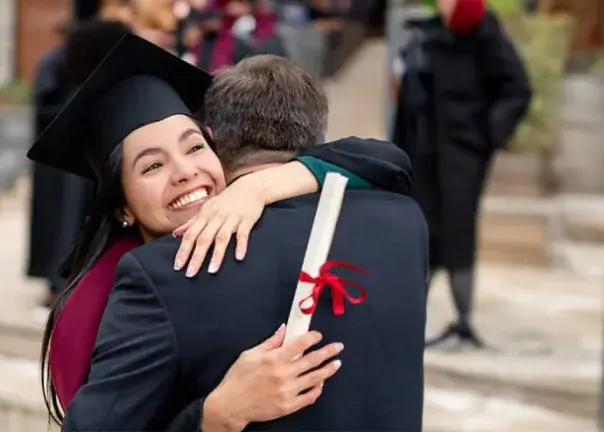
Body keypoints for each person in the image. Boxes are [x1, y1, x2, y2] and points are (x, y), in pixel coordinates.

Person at [32, 25, 428, 432]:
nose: (185, 172)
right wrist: (217, 414)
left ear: (217, 149)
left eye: (194, 147)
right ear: (122, 206)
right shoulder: (124, 289)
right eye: (152, 166)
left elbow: (386, 160)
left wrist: (264, 184)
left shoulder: (249, 212)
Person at [392, 0, 531, 348]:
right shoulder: (427, 35)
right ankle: (409, 322)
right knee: (421, 235)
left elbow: (517, 89)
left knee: (457, 233)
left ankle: (464, 321)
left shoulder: (485, 34)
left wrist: (485, 135)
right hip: (423, 155)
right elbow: (408, 101)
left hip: (461, 156)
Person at [26, 19, 95, 308]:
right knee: (59, 224)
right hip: (56, 159)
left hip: (73, 155)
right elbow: (44, 101)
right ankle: (56, 284)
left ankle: (64, 283)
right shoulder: (54, 60)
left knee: (69, 223)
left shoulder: (81, 63)